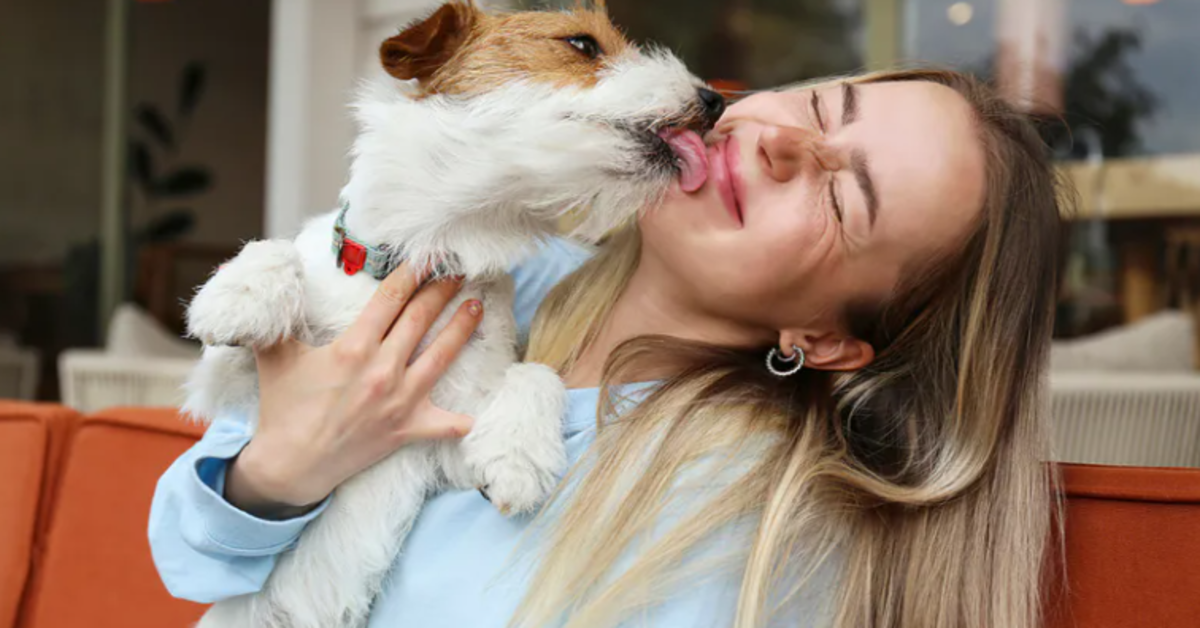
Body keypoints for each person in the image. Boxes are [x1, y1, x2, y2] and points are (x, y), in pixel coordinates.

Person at [150, 68, 1067, 628]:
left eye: (841, 199)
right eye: (823, 104)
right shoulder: (496, 271)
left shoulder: (733, 529)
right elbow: (185, 557)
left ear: (824, 340)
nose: (782, 140)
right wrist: (281, 470)